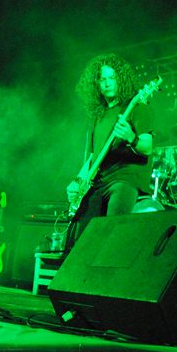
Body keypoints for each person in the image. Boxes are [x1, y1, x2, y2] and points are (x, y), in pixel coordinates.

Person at [64, 53, 154, 254]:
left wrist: (131, 137)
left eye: (112, 77)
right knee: (80, 241)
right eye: (102, 79)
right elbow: (93, 158)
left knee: (112, 233)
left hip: (125, 180)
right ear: (96, 84)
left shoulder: (137, 107)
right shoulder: (98, 117)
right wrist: (77, 182)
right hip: (99, 183)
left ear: (121, 79)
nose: (107, 83)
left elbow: (147, 146)